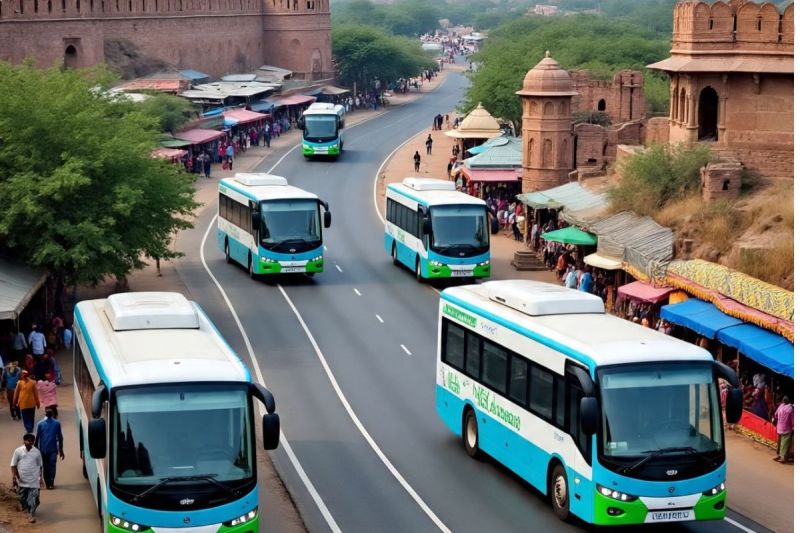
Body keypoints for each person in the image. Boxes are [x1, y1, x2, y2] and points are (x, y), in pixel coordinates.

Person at [10, 433, 43, 523]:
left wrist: (41, 479)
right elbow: (13, 465)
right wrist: (14, 478)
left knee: (34, 499)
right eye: (28, 441)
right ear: (24, 441)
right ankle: (26, 511)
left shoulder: (37, 452)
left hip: (34, 480)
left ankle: (30, 514)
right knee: (23, 500)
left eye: (31, 441)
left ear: (33, 442)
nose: (29, 442)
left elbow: (40, 466)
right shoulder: (18, 451)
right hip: (22, 480)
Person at [35, 408, 64, 489]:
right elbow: (37, 437)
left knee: (51, 466)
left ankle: (51, 482)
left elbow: (60, 437)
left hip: (52, 450)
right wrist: (35, 449)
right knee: (46, 466)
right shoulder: (40, 424)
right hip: (44, 450)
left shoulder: (56, 424)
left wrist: (61, 449)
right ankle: (48, 482)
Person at [773, 396, 793, 463]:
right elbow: (793, 420)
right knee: (784, 444)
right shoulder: (791, 409)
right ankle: (783, 457)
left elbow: (775, 415)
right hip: (787, 429)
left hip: (779, 428)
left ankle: (778, 455)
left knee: (779, 442)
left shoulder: (781, 406)